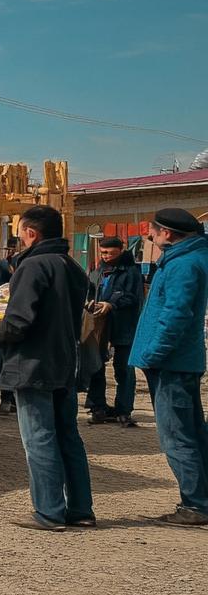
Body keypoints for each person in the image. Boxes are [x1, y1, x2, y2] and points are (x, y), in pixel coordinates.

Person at [0, 205, 92, 531]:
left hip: (32, 364)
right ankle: (80, 509)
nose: (18, 238)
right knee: (67, 437)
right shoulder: (71, 265)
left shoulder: (33, 266)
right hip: (64, 362)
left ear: (31, 233)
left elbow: (19, 321)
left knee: (39, 438)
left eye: (19, 232)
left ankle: (48, 511)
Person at [128, 208, 208, 527]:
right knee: (192, 431)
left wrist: (153, 353)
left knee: (178, 435)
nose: (150, 235)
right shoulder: (185, 259)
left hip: (172, 362)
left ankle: (196, 504)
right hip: (180, 361)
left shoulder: (183, 264)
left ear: (168, 234)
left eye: (153, 230)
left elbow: (176, 315)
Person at [84, 237, 144, 426]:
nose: (106, 256)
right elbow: (89, 293)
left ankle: (124, 410)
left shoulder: (132, 272)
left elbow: (133, 298)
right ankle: (98, 408)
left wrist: (112, 304)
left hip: (124, 326)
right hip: (99, 327)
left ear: (121, 250)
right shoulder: (97, 272)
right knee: (96, 366)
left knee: (124, 369)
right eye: (103, 252)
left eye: (110, 253)